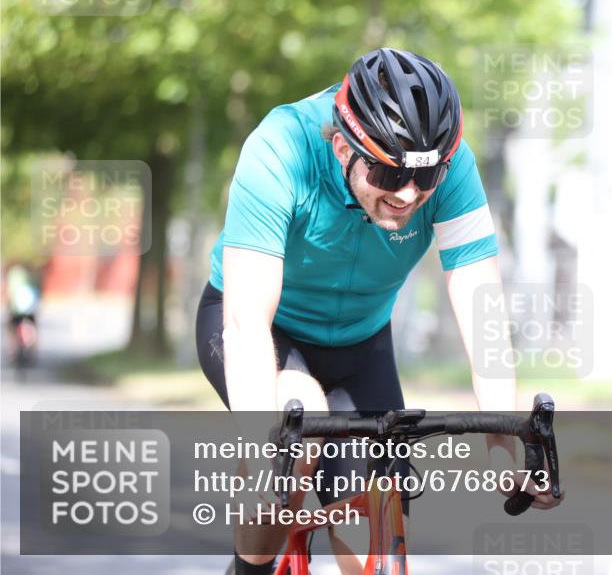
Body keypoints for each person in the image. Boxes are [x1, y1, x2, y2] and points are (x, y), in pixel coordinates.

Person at [196, 48, 561, 574]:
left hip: (360, 344)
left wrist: (504, 446)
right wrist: (263, 450)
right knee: (294, 429)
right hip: (264, 331)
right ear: (342, 146)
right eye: (389, 175)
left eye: (426, 178)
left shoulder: (452, 166)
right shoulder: (280, 147)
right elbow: (246, 322)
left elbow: (481, 304)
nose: (409, 194)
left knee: (375, 522)